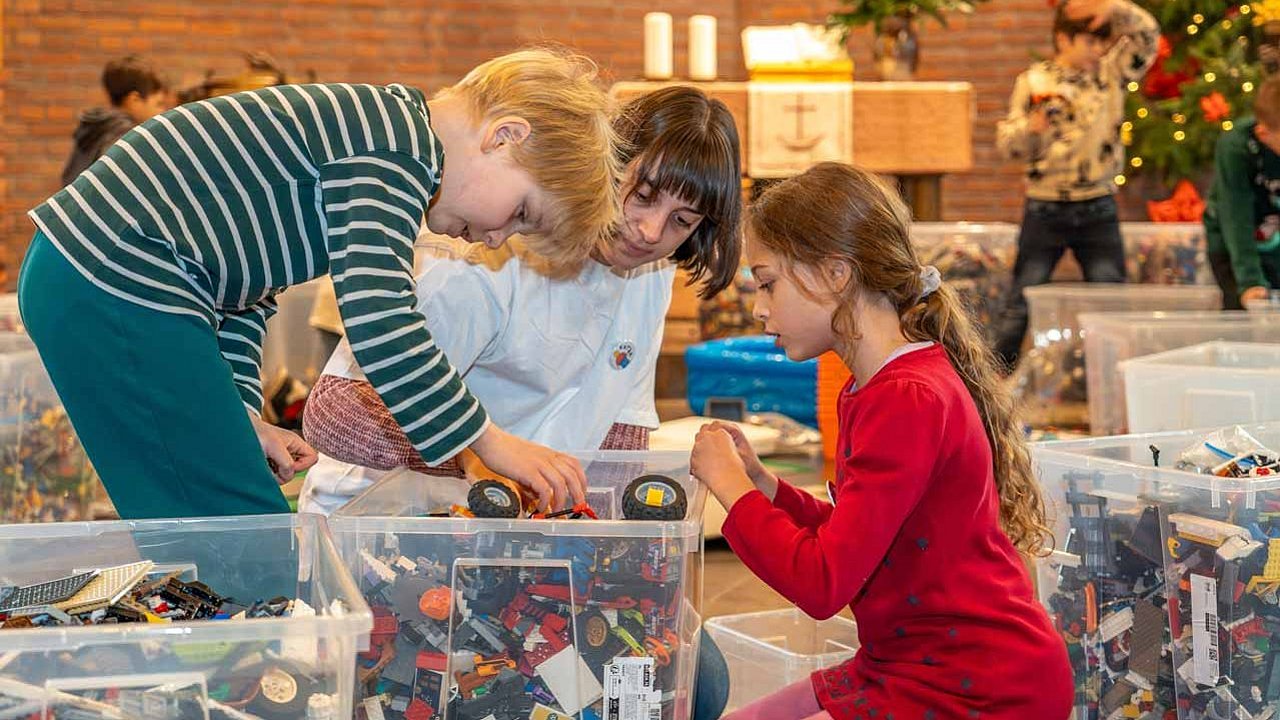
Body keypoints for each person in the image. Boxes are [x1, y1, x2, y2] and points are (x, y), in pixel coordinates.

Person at [19, 48, 621, 519]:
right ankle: (243, 662)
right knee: (234, 524)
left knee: (230, 501)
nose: (495, 240)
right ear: (503, 137)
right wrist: (488, 440)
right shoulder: (397, 147)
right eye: (519, 215)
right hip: (116, 272)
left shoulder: (379, 139)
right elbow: (382, 318)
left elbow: (240, 290)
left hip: (114, 276)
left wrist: (241, 415)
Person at [690, 163, 1072, 720]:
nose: (759, 307)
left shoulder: (906, 398)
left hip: (979, 686)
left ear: (836, 274)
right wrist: (766, 489)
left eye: (768, 283)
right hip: (910, 663)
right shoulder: (877, 386)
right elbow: (861, 543)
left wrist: (729, 488)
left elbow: (824, 584)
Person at [297, 85, 742, 514]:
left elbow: (621, 429)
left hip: (519, 533)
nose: (650, 231)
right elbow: (337, 413)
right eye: (641, 197)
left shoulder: (650, 269)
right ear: (604, 163)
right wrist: (475, 453)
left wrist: (615, 542)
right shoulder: (486, 244)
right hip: (386, 516)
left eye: (681, 221)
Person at [994, 0, 1158, 369]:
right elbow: (1008, 144)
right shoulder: (1034, 81)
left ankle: (1114, 380)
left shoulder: (1111, 73)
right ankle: (991, 386)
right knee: (1021, 300)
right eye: (1089, 42)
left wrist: (1115, 8)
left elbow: (1148, 37)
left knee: (1112, 297)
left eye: (1103, 42)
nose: (1098, 50)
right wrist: (1030, 130)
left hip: (1097, 203)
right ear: (1062, 40)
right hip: (1045, 204)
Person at [1204, 74, 1280, 309]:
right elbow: (1235, 217)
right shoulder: (1237, 148)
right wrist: (1249, 282)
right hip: (1234, 246)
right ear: (1264, 134)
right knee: (1244, 310)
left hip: (1276, 244)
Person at [62, 55, 170, 186]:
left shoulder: (95, 126)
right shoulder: (126, 135)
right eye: (159, 104)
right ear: (134, 99)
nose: (163, 111)